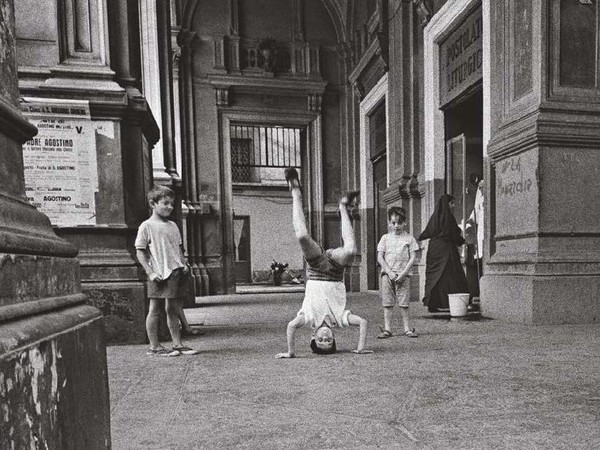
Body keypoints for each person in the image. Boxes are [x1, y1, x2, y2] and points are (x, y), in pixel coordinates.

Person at [276, 168, 372, 358]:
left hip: (316, 270)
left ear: (313, 336)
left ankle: (295, 192)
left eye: (321, 340)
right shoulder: (340, 320)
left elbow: (291, 326)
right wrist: (360, 348)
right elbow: (362, 322)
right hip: (335, 272)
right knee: (351, 250)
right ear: (334, 337)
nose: (325, 338)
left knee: (302, 236)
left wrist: (290, 352)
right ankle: (343, 206)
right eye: (329, 341)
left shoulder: (308, 319)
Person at [135, 185, 199, 356]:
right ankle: (154, 347)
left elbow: (178, 249)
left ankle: (177, 344)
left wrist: (184, 264)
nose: (170, 207)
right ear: (153, 203)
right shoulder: (146, 226)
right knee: (154, 308)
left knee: (173, 307)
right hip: (159, 273)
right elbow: (140, 251)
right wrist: (150, 272)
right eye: (165, 203)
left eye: (172, 204)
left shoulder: (173, 225)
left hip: (176, 272)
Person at [418, 194, 468, 312]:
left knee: (434, 277)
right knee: (452, 277)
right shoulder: (448, 218)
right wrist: (463, 241)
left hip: (434, 250)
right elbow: (453, 235)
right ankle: (454, 304)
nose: (453, 206)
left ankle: (432, 303)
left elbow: (428, 232)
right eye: (451, 203)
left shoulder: (435, 218)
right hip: (447, 251)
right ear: (447, 204)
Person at [376, 207, 420, 338]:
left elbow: (413, 257)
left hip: (403, 275)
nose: (396, 226)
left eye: (400, 223)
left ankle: (407, 328)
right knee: (387, 303)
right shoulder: (385, 238)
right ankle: (387, 329)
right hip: (387, 275)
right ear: (389, 223)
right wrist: (389, 272)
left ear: (405, 223)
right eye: (393, 223)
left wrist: (404, 272)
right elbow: (380, 257)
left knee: (404, 302)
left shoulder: (409, 239)